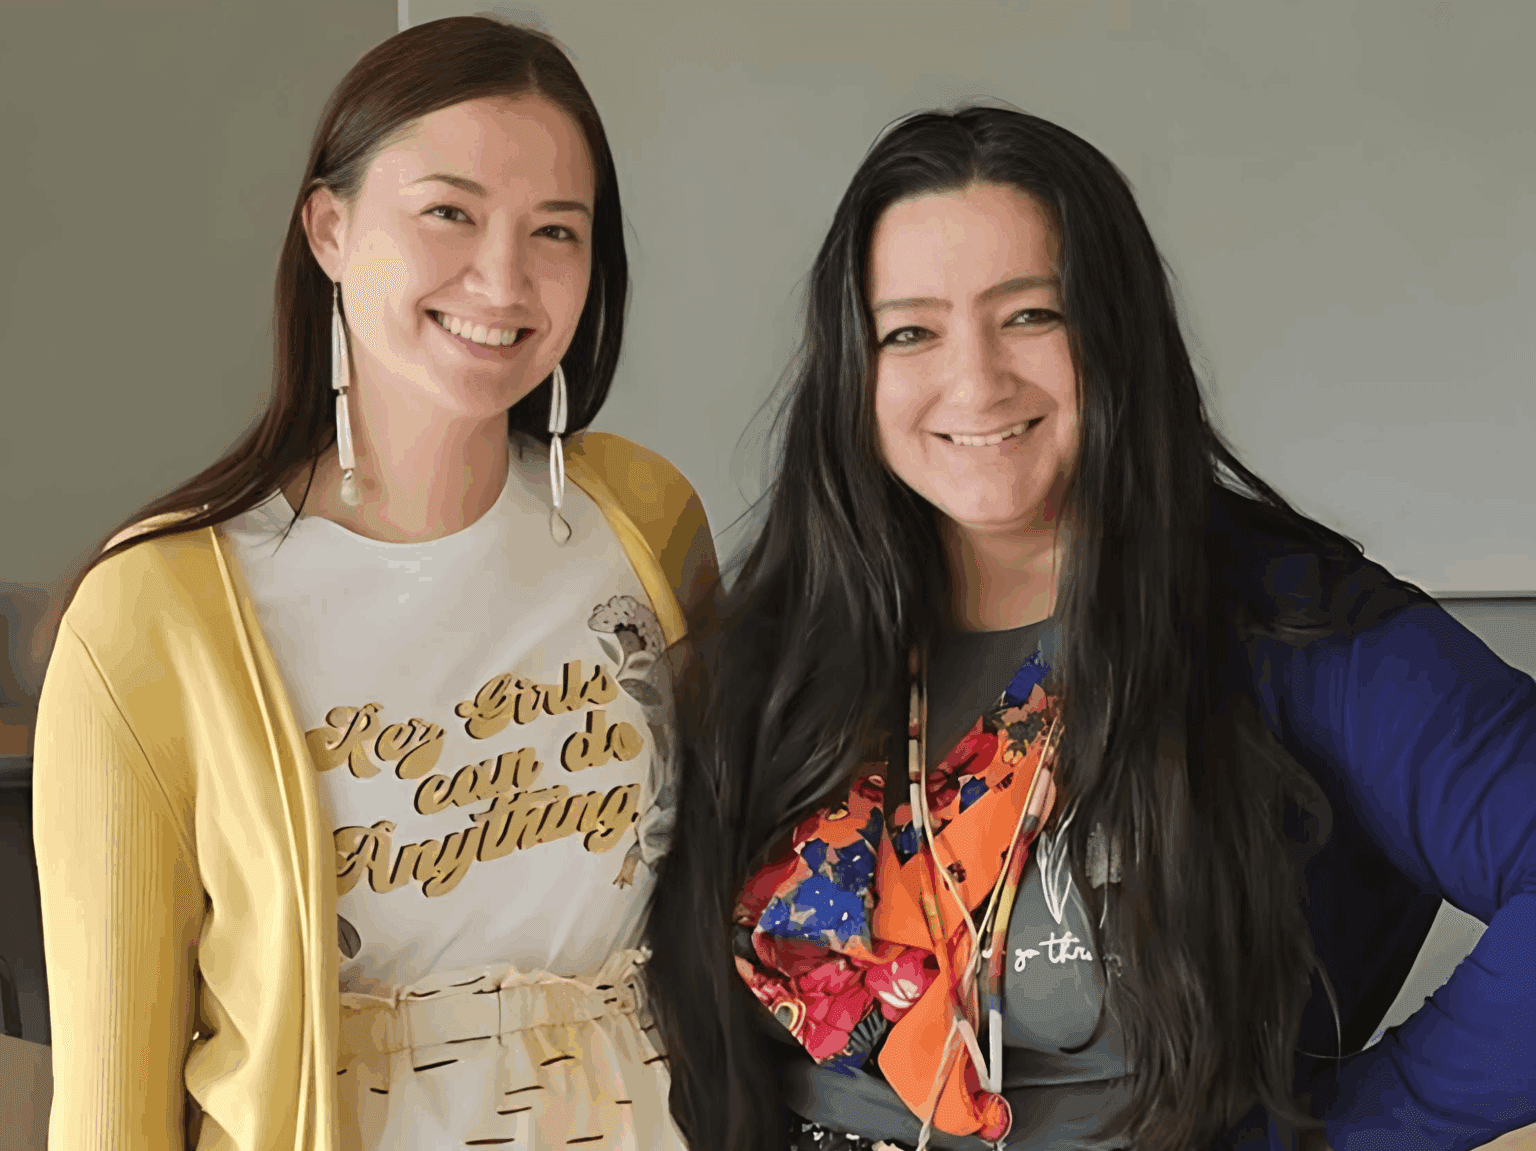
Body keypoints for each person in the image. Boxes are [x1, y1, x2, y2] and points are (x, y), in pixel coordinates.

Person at [645, 105, 1536, 1151]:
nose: (975, 379)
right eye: (911, 329)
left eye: (1030, 315)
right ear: (855, 371)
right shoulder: (781, 642)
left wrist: (1341, 1137)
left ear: (1115, 330)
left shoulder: (1288, 626)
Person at [33, 16, 716, 1151]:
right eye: (449, 211)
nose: (503, 277)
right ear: (330, 226)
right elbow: (111, 1102)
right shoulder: (156, 613)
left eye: (556, 229)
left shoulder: (644, 518)